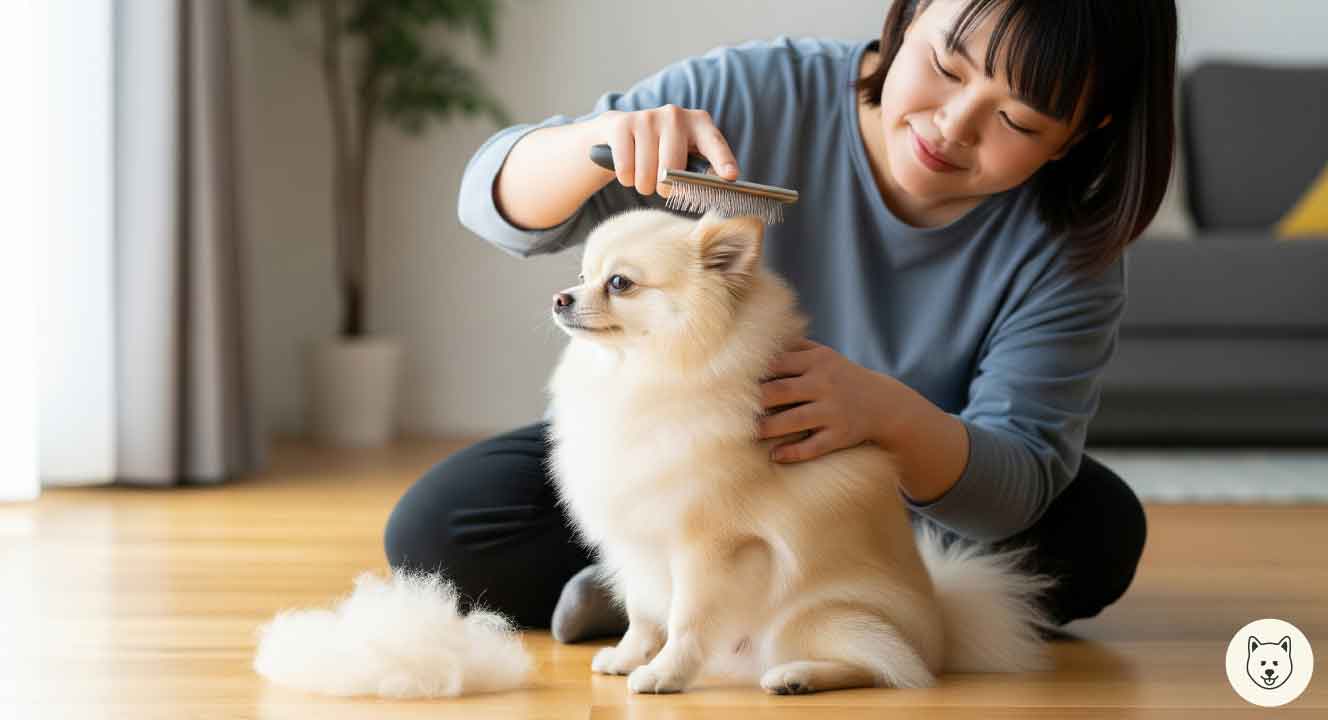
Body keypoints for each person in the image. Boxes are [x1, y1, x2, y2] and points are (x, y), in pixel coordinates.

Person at [385, 0, 1176, 643]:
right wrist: (596, 141)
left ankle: (739, 601)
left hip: (880, 506)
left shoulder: (1070, 247)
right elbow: (492, 206)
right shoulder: (754, 94)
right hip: (680, 464)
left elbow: (1017, 479)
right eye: (945, 66)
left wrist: (888, 416)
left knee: (1094, 533)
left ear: (1086, 132)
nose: (954, 125)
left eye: (1021, 120)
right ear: (912, 13)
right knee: (441, 528)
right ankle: (677, 594)